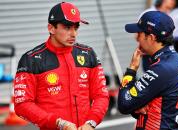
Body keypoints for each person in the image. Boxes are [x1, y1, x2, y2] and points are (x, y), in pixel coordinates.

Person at [13, 2, 109, 130]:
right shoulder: (31, 60)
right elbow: (22, 104)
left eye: (76, 27)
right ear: (51, 28)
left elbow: (101, 95)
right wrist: (58, 123)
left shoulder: (88, 54)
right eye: (67, 27)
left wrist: (91, 122)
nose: (73, 34)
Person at [118, 11, 178, 130]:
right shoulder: (176, 60)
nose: (137, 39)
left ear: (151, 37)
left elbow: (124, 104)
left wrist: (131, 70)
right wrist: (137, 107)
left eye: (139, 34)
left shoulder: (161, 69)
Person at [140, 0, 176, 72]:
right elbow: (138, 36)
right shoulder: (147, 14)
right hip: (149, 56)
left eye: (170, 9)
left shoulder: (170, 15)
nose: (168, 11)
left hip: (166, 55)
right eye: (167, 7)